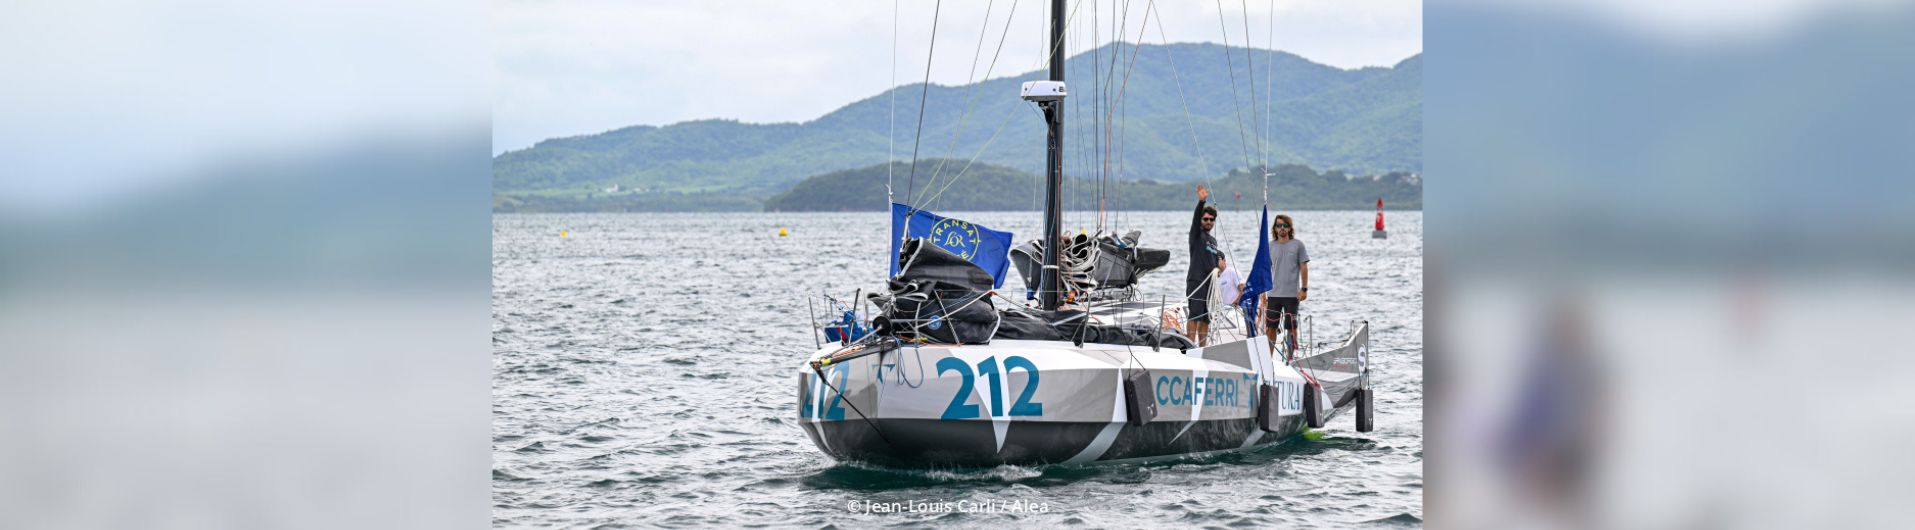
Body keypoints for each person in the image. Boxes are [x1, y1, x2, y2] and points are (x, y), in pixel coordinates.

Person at [1261, 214, 1309, 353]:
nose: (1282, 228)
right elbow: (1265, 269)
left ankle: (1291, 356)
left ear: (1289, 228)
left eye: (1285, 225)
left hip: (1292, 296)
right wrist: (1263, 292)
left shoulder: (1298, 245)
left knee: (1291, 327)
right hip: (1274, 294)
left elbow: (1304, 267)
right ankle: (1268, 357)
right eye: (1279, 225)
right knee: (1271, 327)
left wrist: (1304, 289)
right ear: (1275, 229)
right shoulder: (1270, 246)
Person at [1186, 185, 1223, 346]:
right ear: (1201, 220)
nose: (1208, 222)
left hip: (1210, 284)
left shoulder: (1213, 241)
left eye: (1211, 220)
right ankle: (1190, 346)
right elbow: (1195, 220)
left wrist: (1221, 259)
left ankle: (1203, 347)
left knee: (1205, 317)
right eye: (1205, 219)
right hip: (1196, 281)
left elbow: (1216, 257)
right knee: (1194, 314)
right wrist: (1201, 202)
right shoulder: (1196, 235)